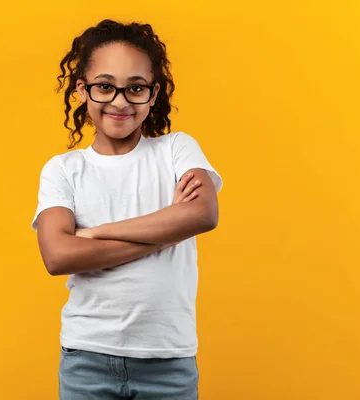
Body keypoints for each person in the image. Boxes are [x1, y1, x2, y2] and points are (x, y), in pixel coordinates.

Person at [32, 19, 223, 400]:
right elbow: (58, 255)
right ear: (83, 91)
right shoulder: (63, 170)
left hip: (168, 361)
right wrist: (167, 230)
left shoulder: (176, 150)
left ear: (152, 95)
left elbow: (203, 214)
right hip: (87, 357)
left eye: (135, 88)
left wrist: (96, 233)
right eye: (105, 86)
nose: (120, 101)